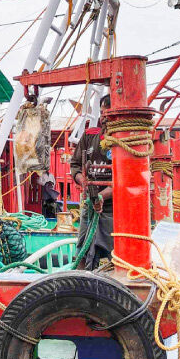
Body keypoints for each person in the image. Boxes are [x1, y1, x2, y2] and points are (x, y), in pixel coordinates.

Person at [69, 94, 113, 270]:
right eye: (102, 112)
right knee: (83, 249)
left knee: (115, 255)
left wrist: (101, 197)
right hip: (90, 203)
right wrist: (82, 180)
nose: (104, 116)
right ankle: (79, 285)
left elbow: (124, 182)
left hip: (115, 210)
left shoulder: (125, 140)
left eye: (108, 112)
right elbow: (75, 165)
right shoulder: (89, 136)